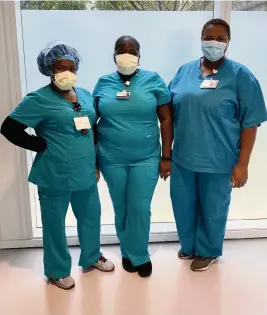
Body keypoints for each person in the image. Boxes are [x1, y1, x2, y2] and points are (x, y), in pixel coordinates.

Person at [0, 42, 114, 290]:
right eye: (60, 67)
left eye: (71, 67)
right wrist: (40, 146)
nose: (66, 72)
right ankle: (56, 270)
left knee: (90, 217)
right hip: (54, 174)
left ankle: (92, 257)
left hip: (85, 171)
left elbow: (91, 129)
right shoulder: (38, 99)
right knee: (54, 226)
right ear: (49, 70)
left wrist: (95, 163)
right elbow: (8, 128)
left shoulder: (83, 94)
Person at [169, 18, 267, 272]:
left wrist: (242, 164)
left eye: (220, 38)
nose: (214, 42)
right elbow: (169, 111)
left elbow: (251, 122)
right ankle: (189, 245)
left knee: (213, 207)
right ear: (201, 39)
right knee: (183, 204)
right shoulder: (184, 71)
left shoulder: (240, 76)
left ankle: (208, 250)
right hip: (183, 156)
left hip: (219, 158)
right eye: (209, 37)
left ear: (228, 43)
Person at [93, 35, 173, 278]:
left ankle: (139, 254)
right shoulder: (103, 83)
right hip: (110, 157)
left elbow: (167, 119)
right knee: (122, 207)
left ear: (139, 56)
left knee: (139, 206)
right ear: (114, 55)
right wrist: (92, 158)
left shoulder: (153, 80)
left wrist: (166, 157)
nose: (126, 54)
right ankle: (128, 253)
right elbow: (91, 119)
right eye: (121, 50)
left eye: (132, 50)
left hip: (146, 157)